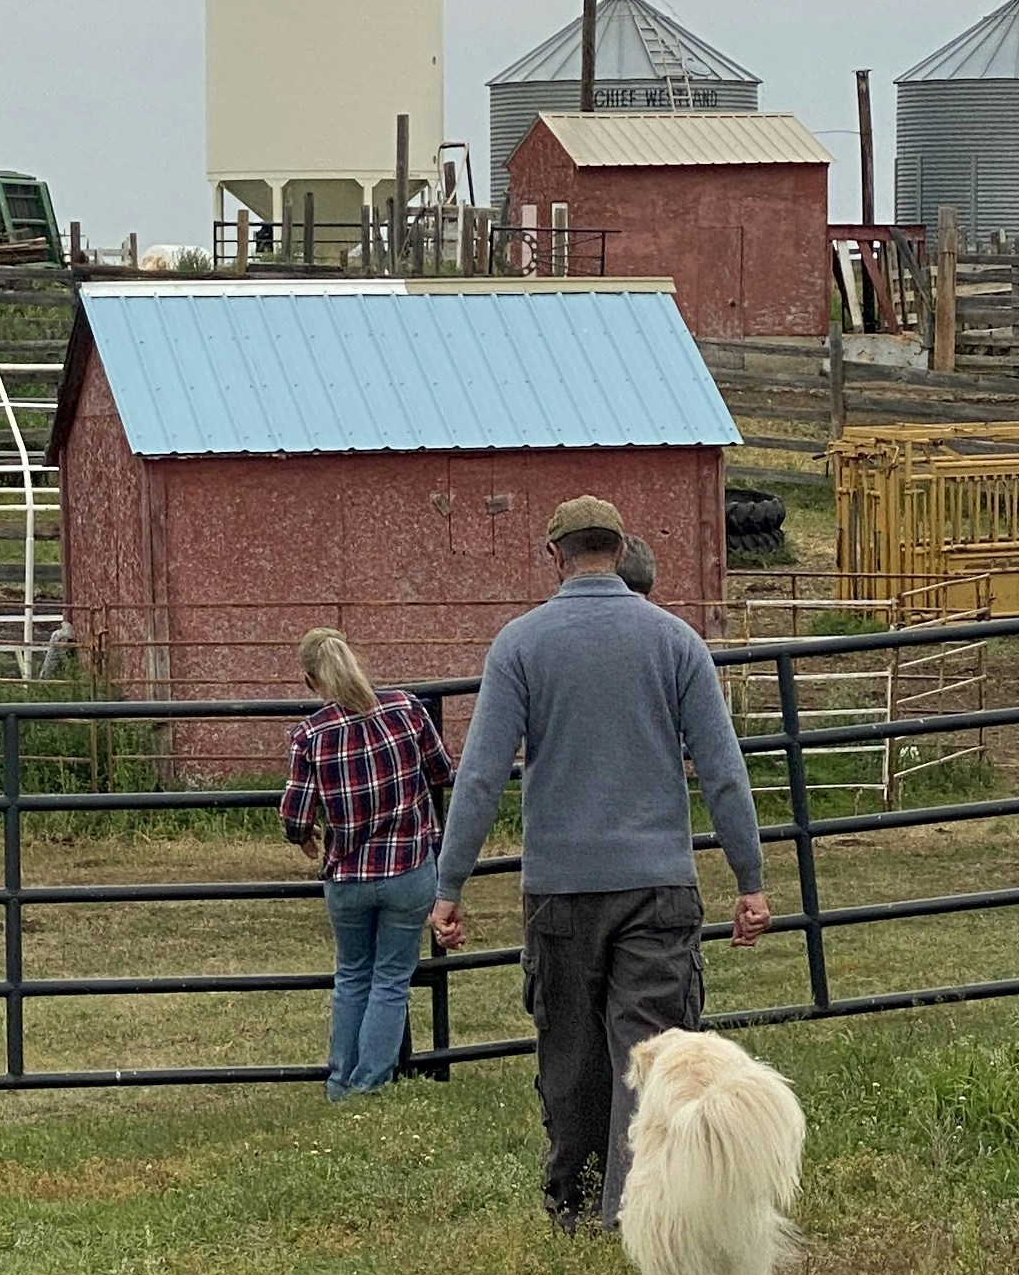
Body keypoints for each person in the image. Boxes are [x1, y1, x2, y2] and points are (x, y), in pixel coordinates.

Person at [429, 494, 772, 1228]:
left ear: (555, 556)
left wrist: (450, 883)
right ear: (620, 551)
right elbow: (723, 769)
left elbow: (481, 775)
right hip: (659, 884)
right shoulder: (676, 643)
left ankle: (575, 1198)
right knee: (652, 1050)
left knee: (572, 1050)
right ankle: (637, 1206)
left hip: (560, 887)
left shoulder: (519, 646)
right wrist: (750, 879)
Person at [279, 627, 455, 1097]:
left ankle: (339, 1081)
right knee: (391, 979)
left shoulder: (310, 735)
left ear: (310, 680)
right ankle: (370, 1083)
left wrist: (304, 835)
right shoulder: (406, 709)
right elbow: (442, 769)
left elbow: (294, 816)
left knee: (352, 975)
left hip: (348, 872)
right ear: (354, 661)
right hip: (409, 866)